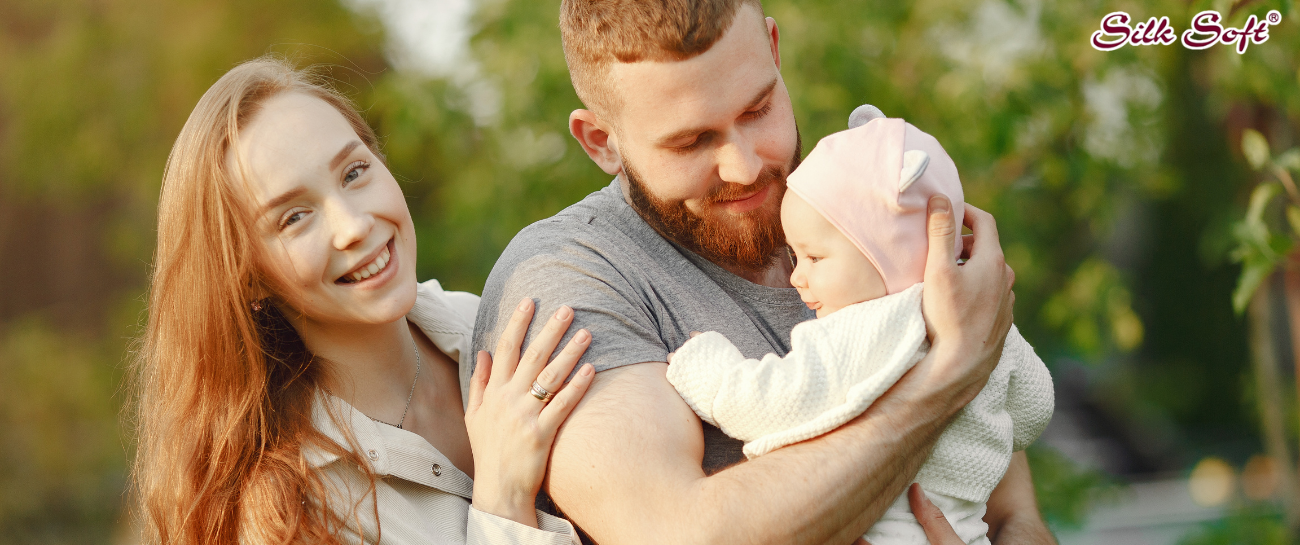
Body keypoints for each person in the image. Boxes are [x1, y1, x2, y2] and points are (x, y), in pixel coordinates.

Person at [472, 1, 1056, 543]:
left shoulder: (860, 206)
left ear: (774, 51)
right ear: (602, 141)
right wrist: (947, 378)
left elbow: (1013, 511)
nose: (747, 167)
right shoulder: (568, 276)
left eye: (758, 110)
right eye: (692, 141)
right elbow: (677, 533)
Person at [131, 57, 595, 544]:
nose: (354, 225)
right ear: (248, 279)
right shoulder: (284, 511)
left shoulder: (491, 321)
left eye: (354, 172)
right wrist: (502, 499)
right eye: (293, 218)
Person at [665, 110, 1056, 544]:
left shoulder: (864, 325)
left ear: (884, 254)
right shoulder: (983, 317)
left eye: (814, 257)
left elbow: (771, 402)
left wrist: (706, 366)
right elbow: (1032, 413)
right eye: (795, 256)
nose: (797, 277)